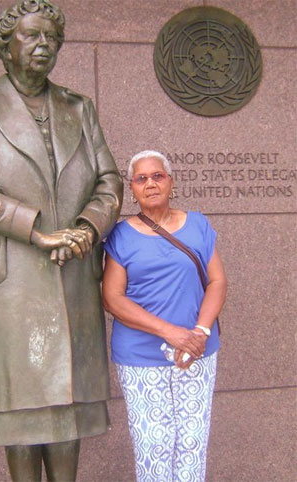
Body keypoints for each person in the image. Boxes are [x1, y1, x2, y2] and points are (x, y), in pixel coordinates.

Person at [0, 1, 123, 480]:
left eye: (51, 37)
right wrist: (35, 229)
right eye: (31, 36)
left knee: (67, 401)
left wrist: (87, 229)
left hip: (73, 267)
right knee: (20, 402)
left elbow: (109, 181)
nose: (43, 45)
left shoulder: (78, 107)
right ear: (6, 47)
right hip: (11, 277)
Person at [103, 150, 227, 482]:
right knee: (153, 445)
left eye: (158, 175)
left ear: (171, 182)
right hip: (141, 356)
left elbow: (217, 281)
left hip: (197, 351)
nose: (151, 183)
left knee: (191, 442)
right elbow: (112, 298)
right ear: (132, 189)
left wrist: (198, 332)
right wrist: (170, 332)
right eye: (141, 178)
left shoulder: (198, 224)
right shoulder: (120, 235)